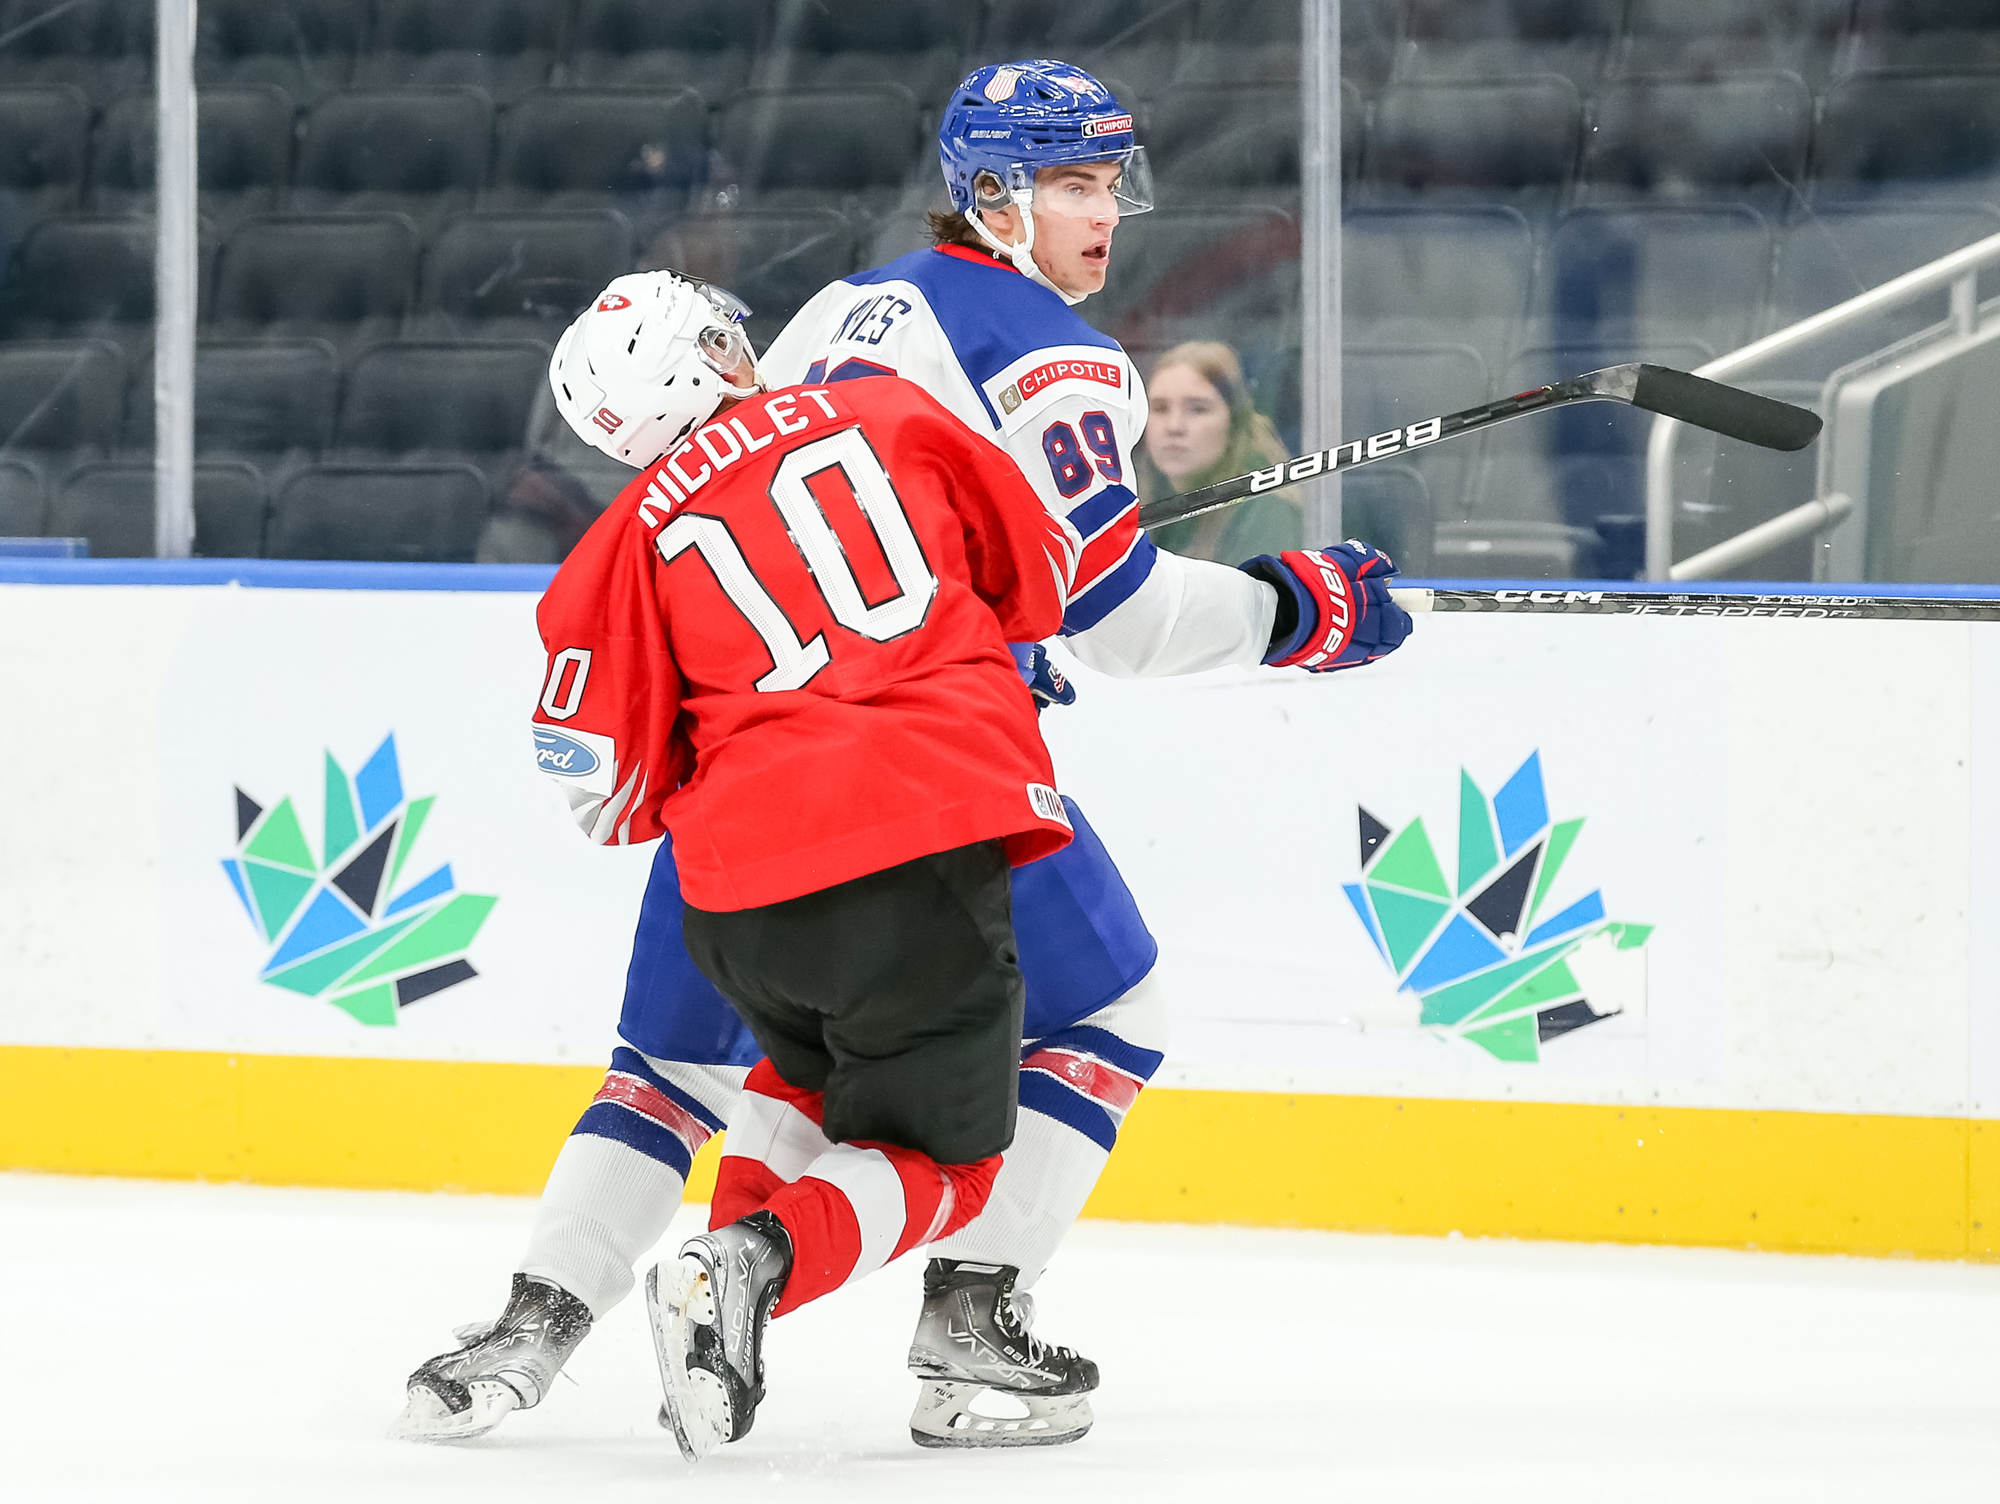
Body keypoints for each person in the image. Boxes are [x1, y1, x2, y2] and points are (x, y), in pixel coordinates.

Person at [397, 58, 1413, 1453]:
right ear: (993, 197)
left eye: (1112, 182)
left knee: (673, 1066)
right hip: (920, 760)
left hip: (730, 762)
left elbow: (644, 689)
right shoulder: (1050, 352)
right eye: (1073, 184)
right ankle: (961, 1325)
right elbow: (1107, 614)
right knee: (1111, 1021)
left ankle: (530, 1329)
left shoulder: (834, 311)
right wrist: (1300, 612)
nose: (1104, 215)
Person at [1138, 341, 1302, 564]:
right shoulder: (1143, 499)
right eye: (1159, 408)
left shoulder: (1266, 509)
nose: (1174, 426)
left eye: (1198, 409)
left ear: (1235, 422)